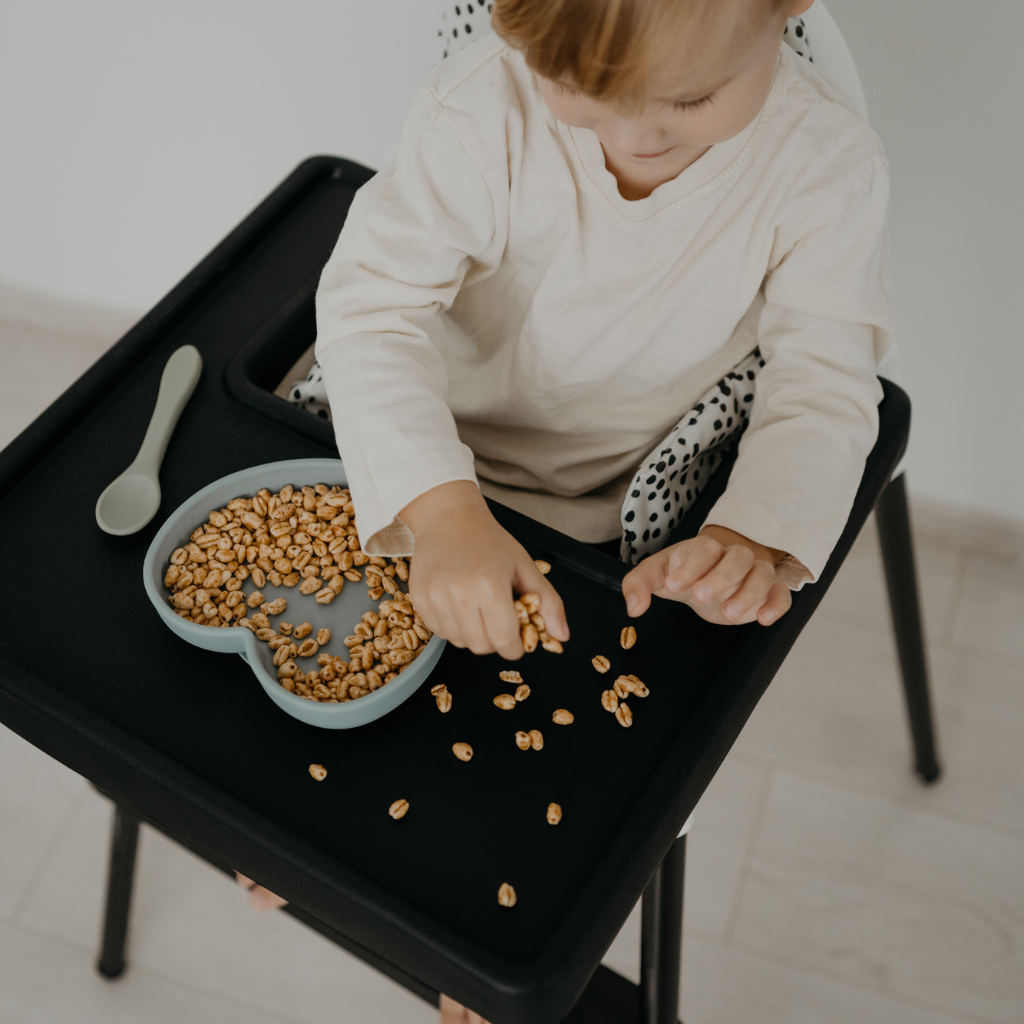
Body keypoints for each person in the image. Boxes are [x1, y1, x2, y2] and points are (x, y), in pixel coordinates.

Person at [251, 0, 891, 1020]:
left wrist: (754, 532)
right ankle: (307, 838)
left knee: (564, 771)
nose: (636, 135)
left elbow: (825, 376)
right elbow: (372, 304)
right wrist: (442, 509)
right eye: (587, 99)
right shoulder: (481, 108)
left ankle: (466, 936)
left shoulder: (821, 163)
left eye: (688, 98)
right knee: (298, 676)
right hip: (416, 455)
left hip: (614, 507)